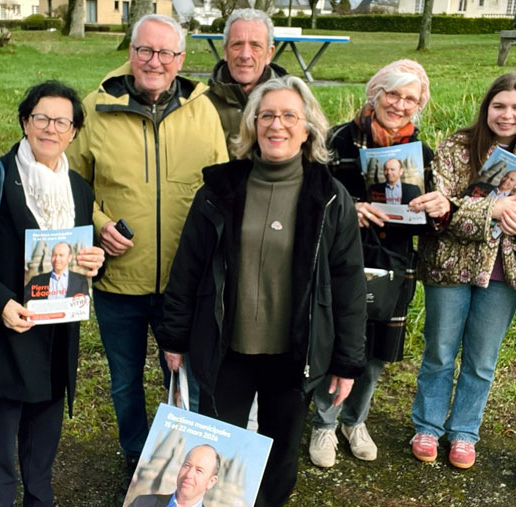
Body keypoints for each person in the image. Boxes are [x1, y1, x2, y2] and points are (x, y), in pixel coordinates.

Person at [155, 76, 367, 507]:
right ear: (252, 125)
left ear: (308, 128)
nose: (277, 125)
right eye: (266, 115)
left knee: (280, 456)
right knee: (219, 450)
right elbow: (188, 269)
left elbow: (347, 283)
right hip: (226, 350)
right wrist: (173, 337)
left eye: (290, 115)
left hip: (294, 355)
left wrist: (347, 361)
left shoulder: (330, 196)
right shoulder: (220, 190)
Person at [66, 13, 229, 489]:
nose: (154, 61)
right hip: (120, 280)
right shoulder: (95, 109)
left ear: (181, 59)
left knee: (188, 380)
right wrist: (97, 225)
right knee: (124, 379)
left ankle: (189, 462)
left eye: (165, 53)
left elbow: (219, 190)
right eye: (144, 51)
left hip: (186, 282)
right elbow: (72, 186)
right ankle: (137, 455)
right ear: (130, 53)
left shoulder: (204, 110)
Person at [0, 81, 105, 506]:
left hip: (58, 337)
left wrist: (94, 263)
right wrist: (1, 304)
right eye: (41, 118)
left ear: (73, 132)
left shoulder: (80, 189)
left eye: (61, 121)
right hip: (7, 331)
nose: (50, 128)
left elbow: (79, 253)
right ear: (26, 123)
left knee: (42, 455)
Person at [310, 59, 443, 468]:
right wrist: (349, 207)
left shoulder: (422, 153)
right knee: (335, 341)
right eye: (393, 94)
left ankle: (356, 420)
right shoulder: (336, 141)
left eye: (410, 99)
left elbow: (436, 220)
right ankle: (324, 423)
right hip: (343, 262)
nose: (400, 105)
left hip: (395, 262)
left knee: (375, 351)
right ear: (375, 92)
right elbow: (309, 198)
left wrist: (438, 208)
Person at [410, 72, 516, 469]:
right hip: (448, 265)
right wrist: (495, 210)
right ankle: (428, 425)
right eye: (499, 105)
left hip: (504, 271)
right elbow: (441, 210)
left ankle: (465, 432)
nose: (507, 115)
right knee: (439, 350)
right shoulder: (457, 146)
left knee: (482, 358)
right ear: (487, 107)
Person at [206, 8, 288, 147]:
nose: (245, 55)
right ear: (225, 51)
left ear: (269, 53)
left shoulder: (293, 104)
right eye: (237, 45)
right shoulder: (202, 104)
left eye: (255, 46)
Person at [128, 444, 220, 507]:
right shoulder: (142, 503)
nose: (189, 474)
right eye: (187, 466)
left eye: (199, 470)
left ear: (211, 482)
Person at [25, 242, 90, 300]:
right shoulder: (36, 280)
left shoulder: (81, 280)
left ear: (69, 258)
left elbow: (85, 306)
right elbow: (21, 299)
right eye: (54, 255)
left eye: (61, 255)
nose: (57, 259)